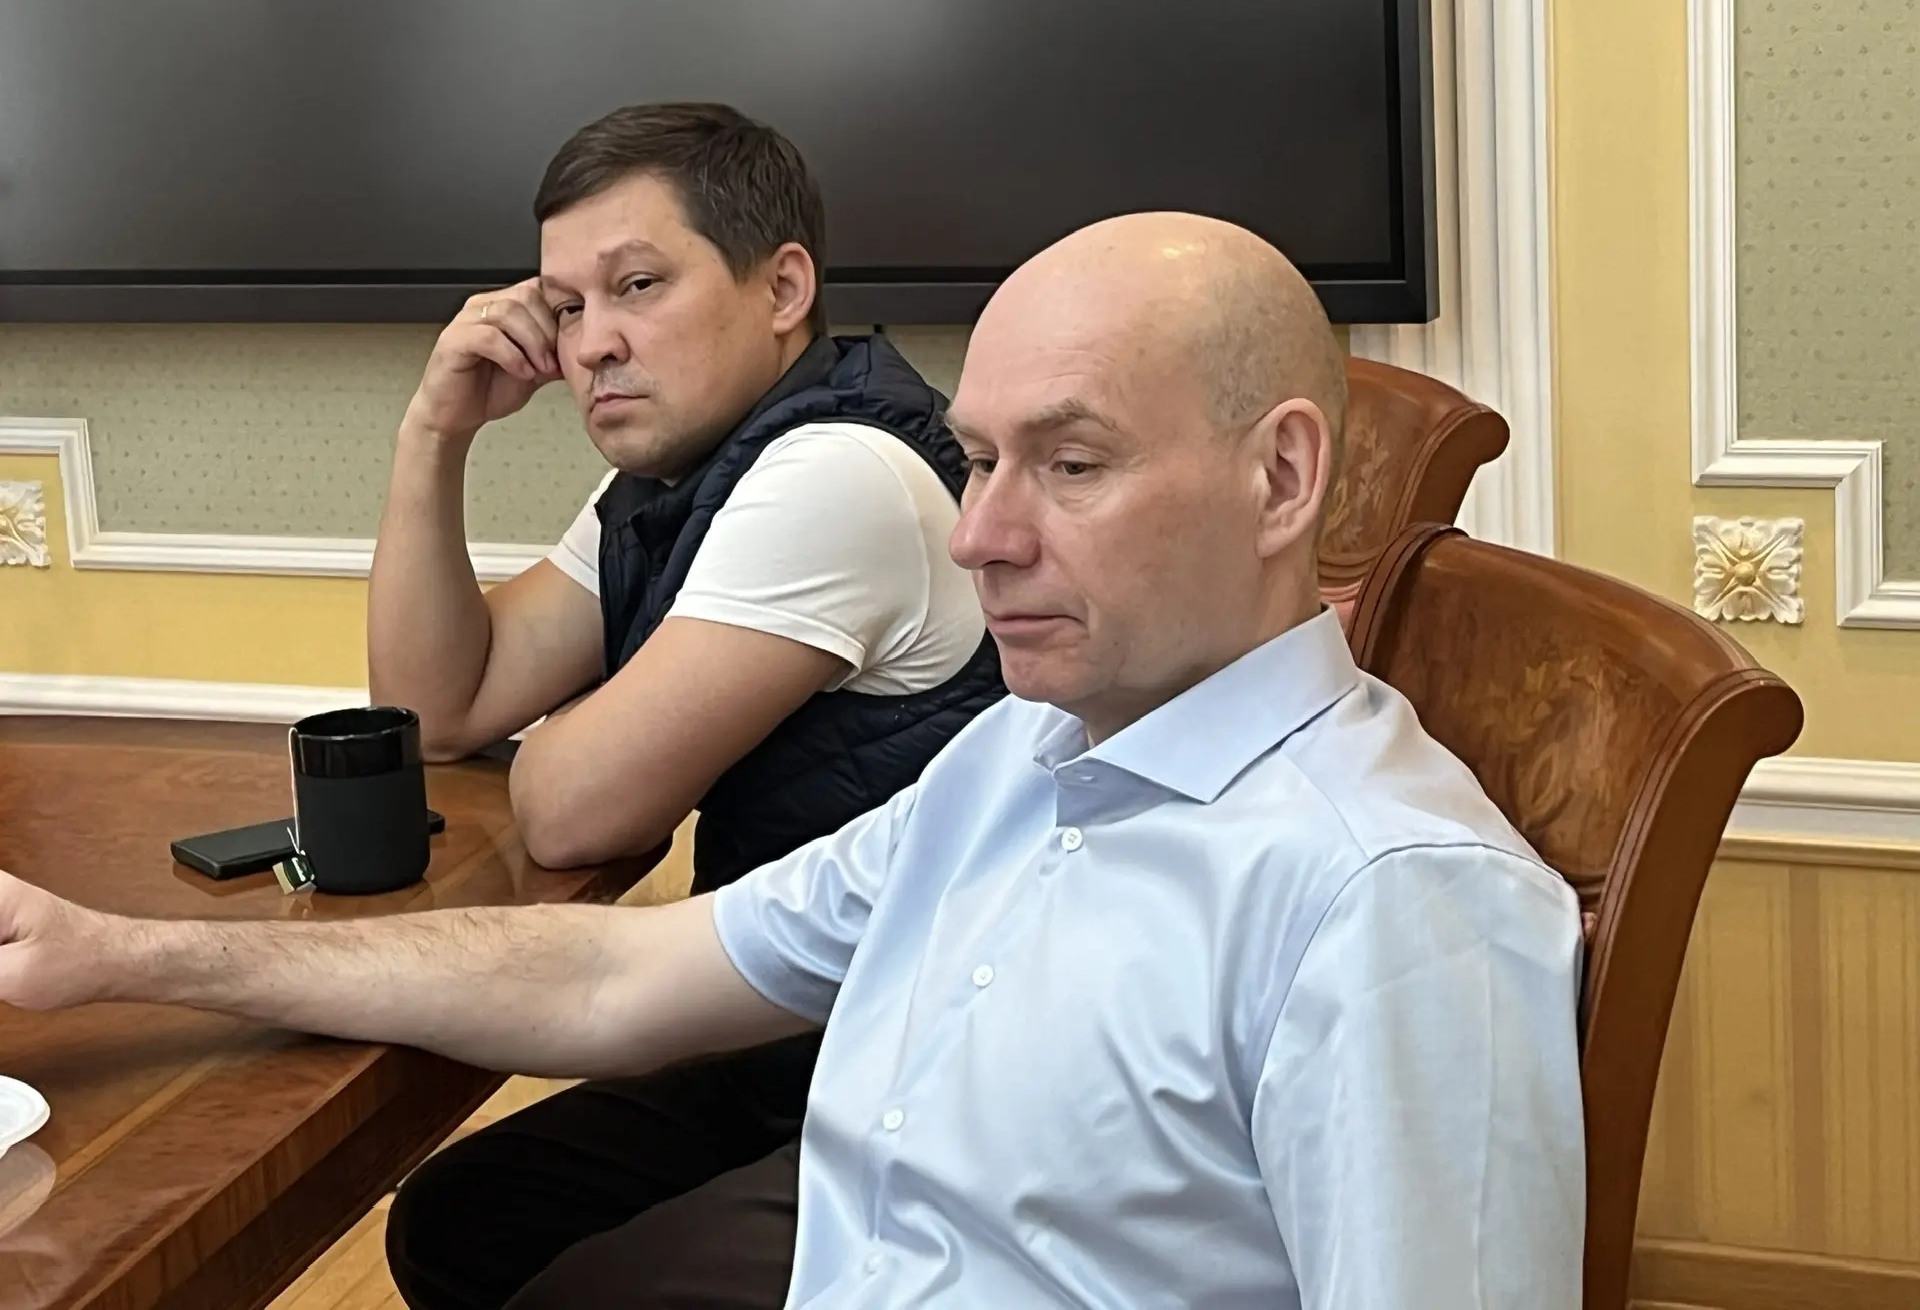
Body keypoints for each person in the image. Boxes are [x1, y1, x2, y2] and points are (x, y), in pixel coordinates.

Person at [0, 213, 1586, 1309]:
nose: (978, 536)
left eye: (1071, 464)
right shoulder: (1020, 758)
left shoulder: (1391, 906)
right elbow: (614, 978)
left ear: (1282, 478)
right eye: (979, 460)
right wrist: (128, 954)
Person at [363, 102, 1003, 1306]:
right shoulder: (677, 474)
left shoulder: (836, 474)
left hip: (925, 1073)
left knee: (573, 1284)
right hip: (794, 1030)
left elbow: (575, 814)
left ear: (783, 288)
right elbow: (437, 710)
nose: (591, 345)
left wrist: (580, 735)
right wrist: (432, 431)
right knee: (458, 1220)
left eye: (638, 285)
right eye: (566, 307)